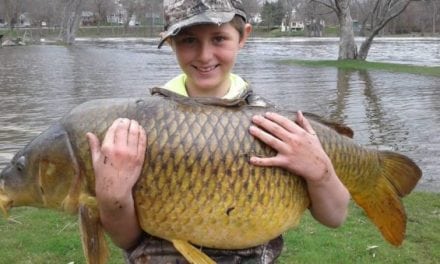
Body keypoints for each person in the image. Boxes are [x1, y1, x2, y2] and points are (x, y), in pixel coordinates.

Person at [86, 0, 350, 263]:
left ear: (243, 36)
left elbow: (335, 216)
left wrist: (321, 173)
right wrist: (113, 199)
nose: (204, 55)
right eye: (189, 40)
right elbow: (128, 239)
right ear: (170, 42)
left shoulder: (281, 127)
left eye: (219, 38)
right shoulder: (137, 128)